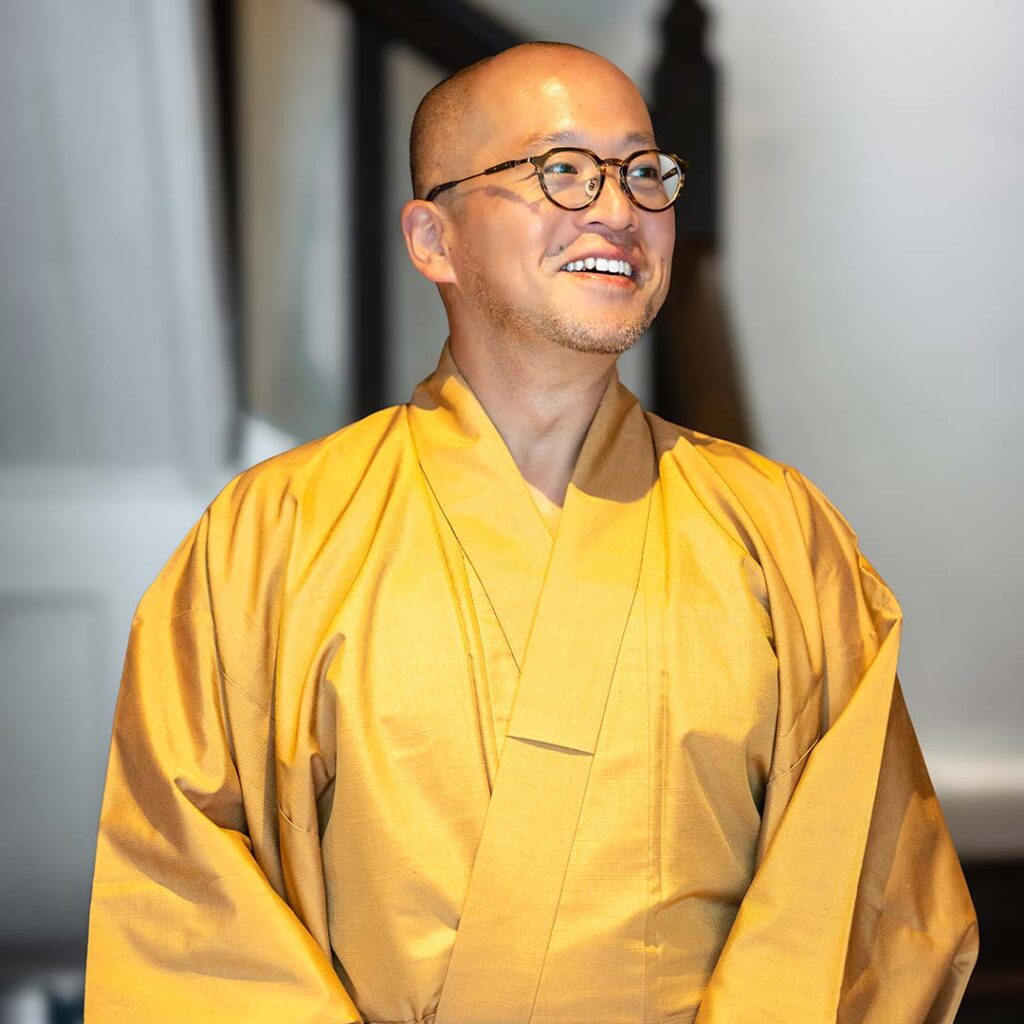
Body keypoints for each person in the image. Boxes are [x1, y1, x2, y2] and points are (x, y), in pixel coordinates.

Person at [85, 42, 977, 1024]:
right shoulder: (270, 535)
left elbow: (865, 894)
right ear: (433, 240)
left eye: (644, 171)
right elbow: (187, 896)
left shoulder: (778, 531)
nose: (618, 208)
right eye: (562, 169)